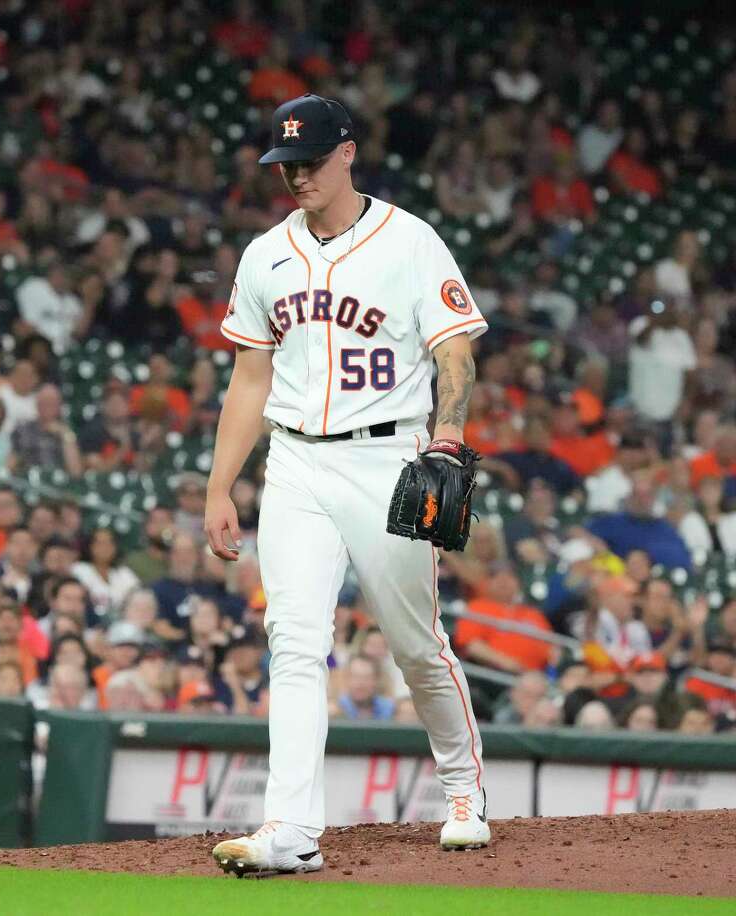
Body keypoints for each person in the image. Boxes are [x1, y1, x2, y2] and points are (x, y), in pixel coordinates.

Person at [207, 94, 491, 877]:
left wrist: (449, 433)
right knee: (294, 643)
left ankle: (465, 790)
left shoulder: (410, 240)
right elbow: (249, 376)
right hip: (294, 461)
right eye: (284, 164)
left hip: (387, 459)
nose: (294, 175)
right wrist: (218, 485)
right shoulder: (265, 254)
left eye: (308, 161)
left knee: (415, 646)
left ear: (347, 154)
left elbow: (456, 351)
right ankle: (291, 831)